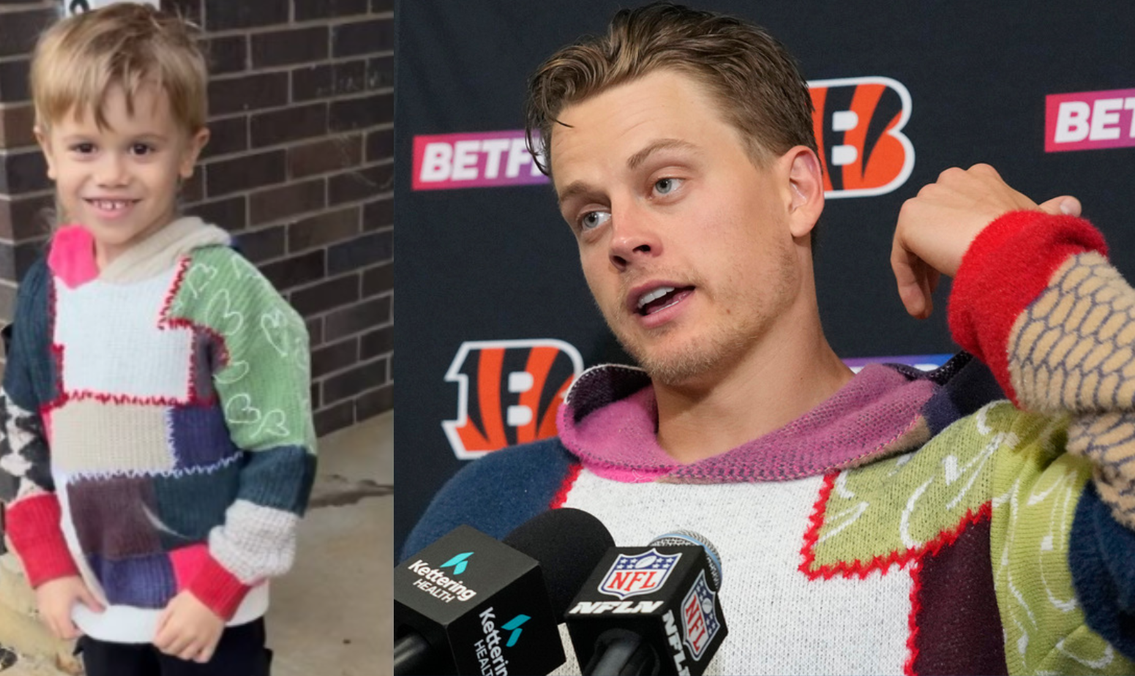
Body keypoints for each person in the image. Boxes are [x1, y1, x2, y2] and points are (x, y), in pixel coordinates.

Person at [402, 3, 1135, 674]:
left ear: (798, 191)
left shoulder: (991, 481)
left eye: (663, 184)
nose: (623, 237)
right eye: (589, 215)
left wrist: (1022, 268)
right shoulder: (499, 505)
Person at [0, 4, 316, 674]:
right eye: (86, 146)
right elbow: (23, 427)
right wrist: (46, 563)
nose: (112, 174)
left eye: (141, 147)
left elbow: (283, 450)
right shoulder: (46, 289)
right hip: (99, 600)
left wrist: (220, 587)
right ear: (47, 149)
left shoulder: (224, 289)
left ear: (189, 151)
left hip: (207, 610)